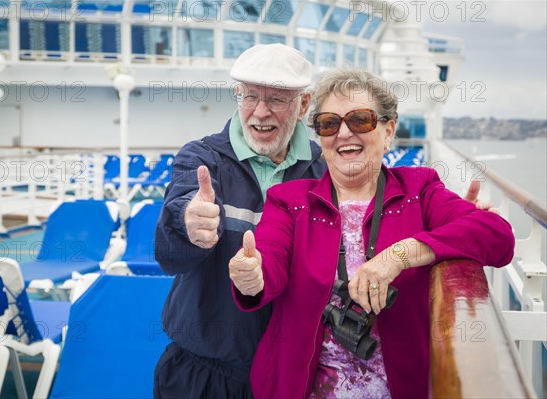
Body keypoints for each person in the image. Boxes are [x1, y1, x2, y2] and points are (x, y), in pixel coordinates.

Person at [228, 69, 515, 399]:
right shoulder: (289, 200)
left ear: (388, 130)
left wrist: (401, 254)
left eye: (360, 120)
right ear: (320, 138)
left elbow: (498, 237)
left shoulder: (419, 190)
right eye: (329, 123)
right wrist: (252, 277)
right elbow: (269, 260)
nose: (344, 133)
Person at [153, 44, 327, 398]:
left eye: (277, 100)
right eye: (250, 96)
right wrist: (188, 223)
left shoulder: (324, 170)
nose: (260, 113)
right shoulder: (201, 157)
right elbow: (170, 257)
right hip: (202, 377)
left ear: (303, 106)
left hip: (292, 378)